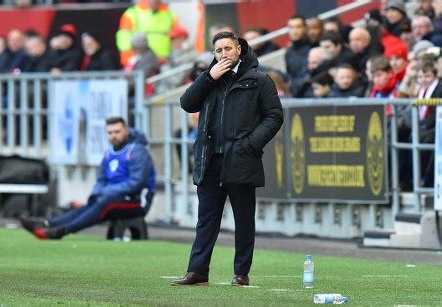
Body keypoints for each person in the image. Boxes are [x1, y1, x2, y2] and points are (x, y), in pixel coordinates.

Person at [171, 31, 283, 286]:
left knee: (243, 219)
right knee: (206, 219)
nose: (224, 54)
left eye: (228, 49)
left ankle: (241, 273)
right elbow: (187, 103)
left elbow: (274, 116)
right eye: (219, 50)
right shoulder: (210, 79)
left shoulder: (260, 80)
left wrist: (250, 145)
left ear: (239, 50)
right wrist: (207, 78)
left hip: (241, 159)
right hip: (210, 159)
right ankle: (197, 271)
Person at [20, 117, 156, 240]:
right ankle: (46, 223)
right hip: (113, 198)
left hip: (137, 202)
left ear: (126, 131)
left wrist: (106, 192)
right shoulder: (109, 153)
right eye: (110, 133)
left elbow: (136, 183)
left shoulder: (137, 151)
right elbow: (101, 179)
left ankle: (60, 231)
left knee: (104, 203)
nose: (114, 136)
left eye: (117, 132)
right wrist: (97, 192)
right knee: (90, 204)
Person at [115, 0, 178, 66]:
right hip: (141, 63)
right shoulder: (132, 14)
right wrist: (128, 59)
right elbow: (124, 37)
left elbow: (177, 37)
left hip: (165, 62)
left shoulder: (170, 14)